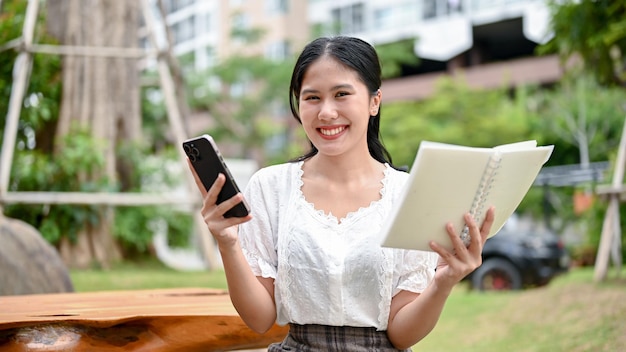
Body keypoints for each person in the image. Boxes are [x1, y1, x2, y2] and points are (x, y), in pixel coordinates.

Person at [188, 36, 495, 351]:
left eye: (342, 94)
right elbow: (260, 319)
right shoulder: (270, 187)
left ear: (374, 101)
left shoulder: (409, 193)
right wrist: (227, 243)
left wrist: (443, 282)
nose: (326, 112)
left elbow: (402, 334)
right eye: (312, 98)